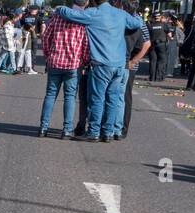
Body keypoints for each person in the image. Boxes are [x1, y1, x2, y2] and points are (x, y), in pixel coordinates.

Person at [54, 0, 144, 142]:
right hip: (120, 64)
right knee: (112, 99)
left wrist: (59, 8)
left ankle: (94, 132)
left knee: (97, 98)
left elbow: (70, 14)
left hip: (102, 63)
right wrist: (139, 15)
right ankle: (107, 132)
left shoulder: (92, 13)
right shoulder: (121, 14)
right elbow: (137, 23)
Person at [37, 0, 88, 137]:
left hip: (55, 61)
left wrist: (48, 56)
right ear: (86, 3)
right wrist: (83, 61)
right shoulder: (83, 20)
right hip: (73, 64)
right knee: (70, 97)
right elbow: (85, 44)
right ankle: (67, 130)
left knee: (50, 95)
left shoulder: (57, 16)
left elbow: (46, 37)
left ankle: (43, 127)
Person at [118, 1, 149, 138]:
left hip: (129, 64)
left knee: (125, 96)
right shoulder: (121, 16)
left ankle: (123, 129)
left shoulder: (138, 21)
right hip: (118, 61)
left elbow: (147, 44)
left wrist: (134, 61)